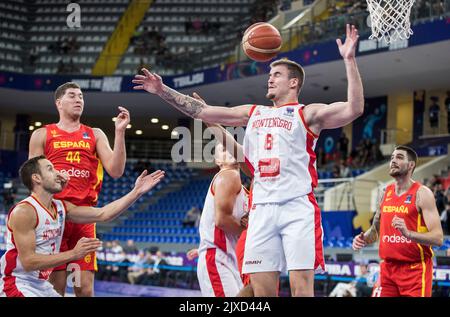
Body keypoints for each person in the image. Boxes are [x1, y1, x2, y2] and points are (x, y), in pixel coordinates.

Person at [133, 24, 364, 296]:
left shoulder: (307, 114)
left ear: (294, 83)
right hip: (261, 211)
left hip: (296, 207)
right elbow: (202, 110)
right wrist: (162, 90)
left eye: (276, 74)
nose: (270, 78)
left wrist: (349, 60)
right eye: (269, 74)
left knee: (303, 291)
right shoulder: (253, 112)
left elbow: (354, 108)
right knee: (259, 293)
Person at [0, 155, 164, 297]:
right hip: (18, 284)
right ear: (37, 178)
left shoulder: (61, 207)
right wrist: (74, 254)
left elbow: (103, 214)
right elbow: (28, 262)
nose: (58, 173)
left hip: (41, 285)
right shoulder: (25, 211)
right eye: (50, 169)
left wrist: (136, 192)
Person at [28, 82, 129, 297]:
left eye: (81, 96)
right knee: (56, 288)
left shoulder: (95, 134)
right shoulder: (42, 134)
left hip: (84, 218)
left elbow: (116, 170)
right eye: (72, 96)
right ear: (59, 103)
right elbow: (33, 179)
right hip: (54, 218)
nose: (78, 100)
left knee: (84, 289)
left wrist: (119, 133)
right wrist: (55, 177)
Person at [352, 145, 443, 297]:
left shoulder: (422, 194)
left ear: (411, 165)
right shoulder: (385, 192)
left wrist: (408, 234)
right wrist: (363, 238)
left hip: (415, 271)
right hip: (387, 269)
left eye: (399, 157)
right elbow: (376, 230)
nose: (393, 161)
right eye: (392, 157)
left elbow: (438, 238)